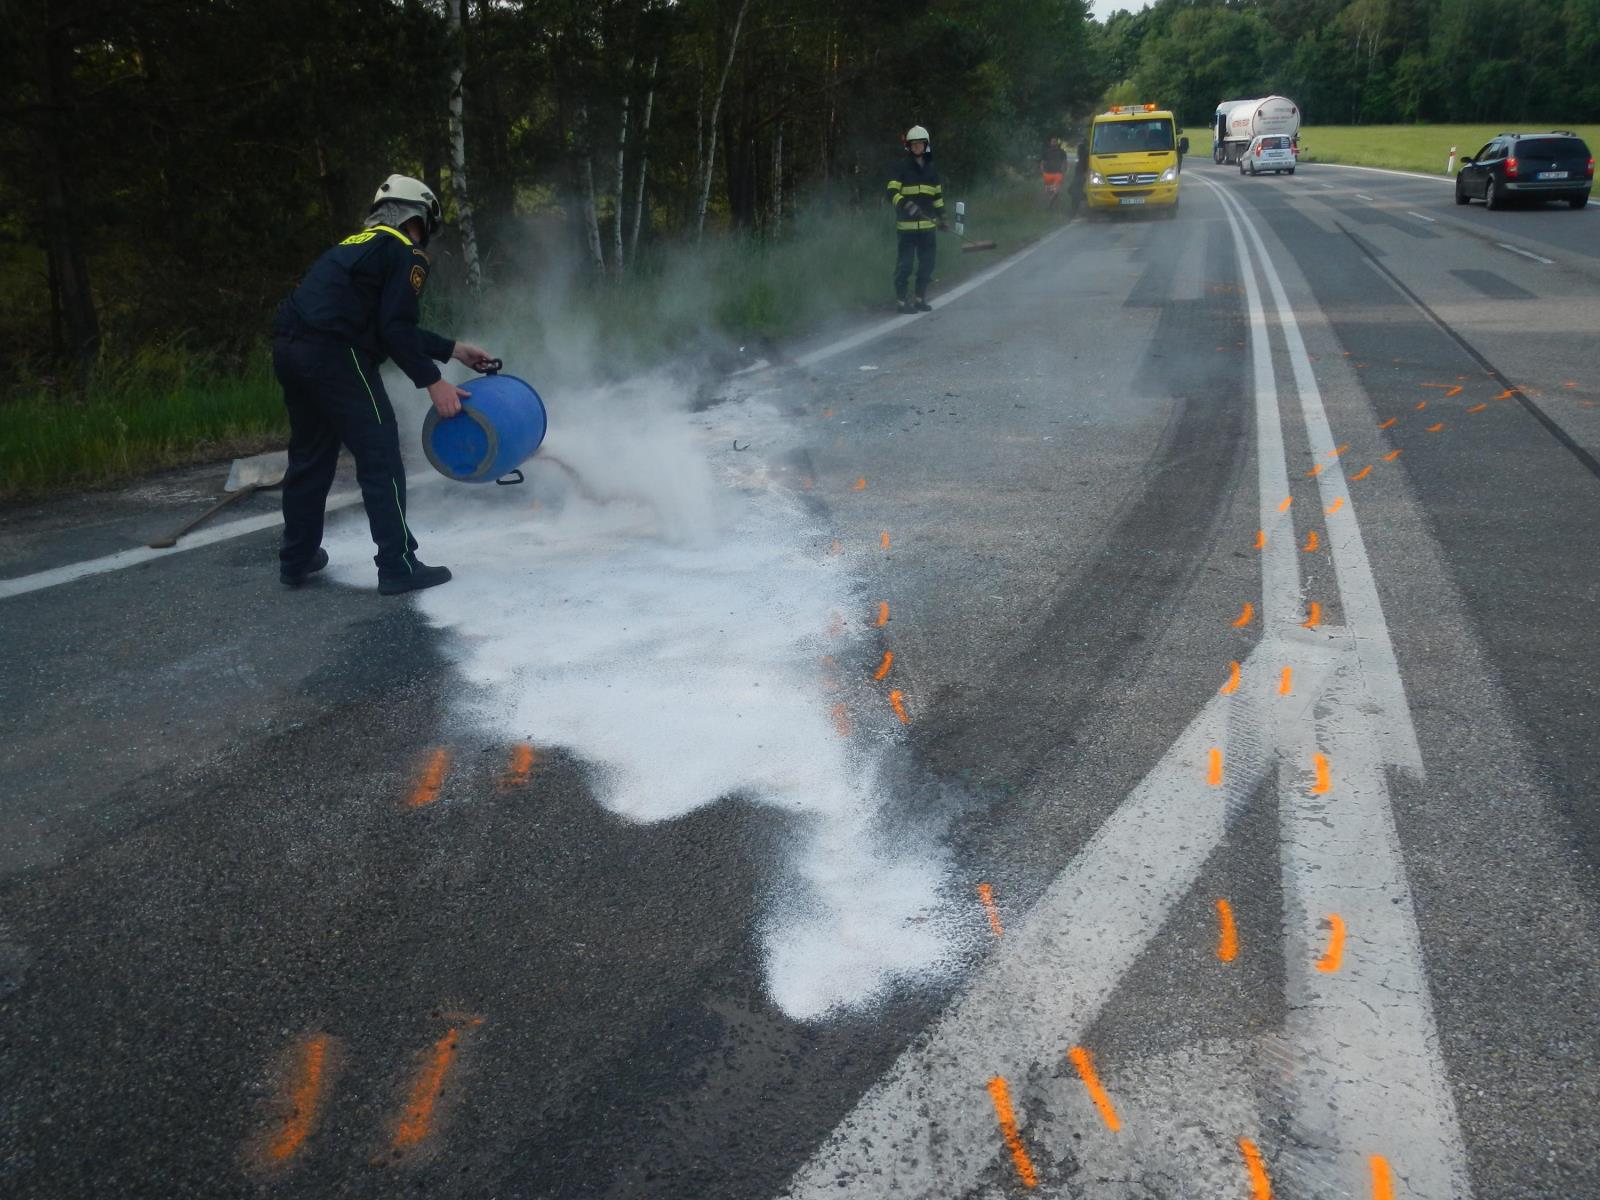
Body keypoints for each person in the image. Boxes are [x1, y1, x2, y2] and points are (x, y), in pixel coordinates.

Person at [271, 174, 494, 595]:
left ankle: (296, 558)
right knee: (380, 456)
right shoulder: (404, 250)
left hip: (290, 349)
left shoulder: (353, 246)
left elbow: (383, 325)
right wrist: (434, 382)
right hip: (337, 354)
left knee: (310, 455)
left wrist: (452, 349)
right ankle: (398, 565)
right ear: (421, 216)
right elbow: (394, 328)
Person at [886, 125, 946, 314]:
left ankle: (920, 299)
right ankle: (902, 302)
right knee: (906, 265)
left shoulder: (931, 170)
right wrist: (905, 204)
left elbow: (937, 197)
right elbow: (891, 192)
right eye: (914, 144)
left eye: (920, 144)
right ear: (909, 147)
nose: (917, 147)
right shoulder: (901, 167)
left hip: (928, 227)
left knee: (927, 264)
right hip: (907, 228)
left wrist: (942, 217)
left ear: (926, 145)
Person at [1040, 135, 1067, 208]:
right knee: (1049, 191)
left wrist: (1063, 173)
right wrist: (1043, 172)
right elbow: (1042, 163)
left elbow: (1064, 163)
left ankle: (1049, 205)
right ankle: (1052, 206)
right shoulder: (1046, 152)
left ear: (1057, 143)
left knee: (1056, 191)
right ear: (1050, 143)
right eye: (1052, 141)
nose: (1054, 143)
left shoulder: (1062, 152)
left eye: (1055, 141)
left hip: (1058, 174)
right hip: (1048, 174)